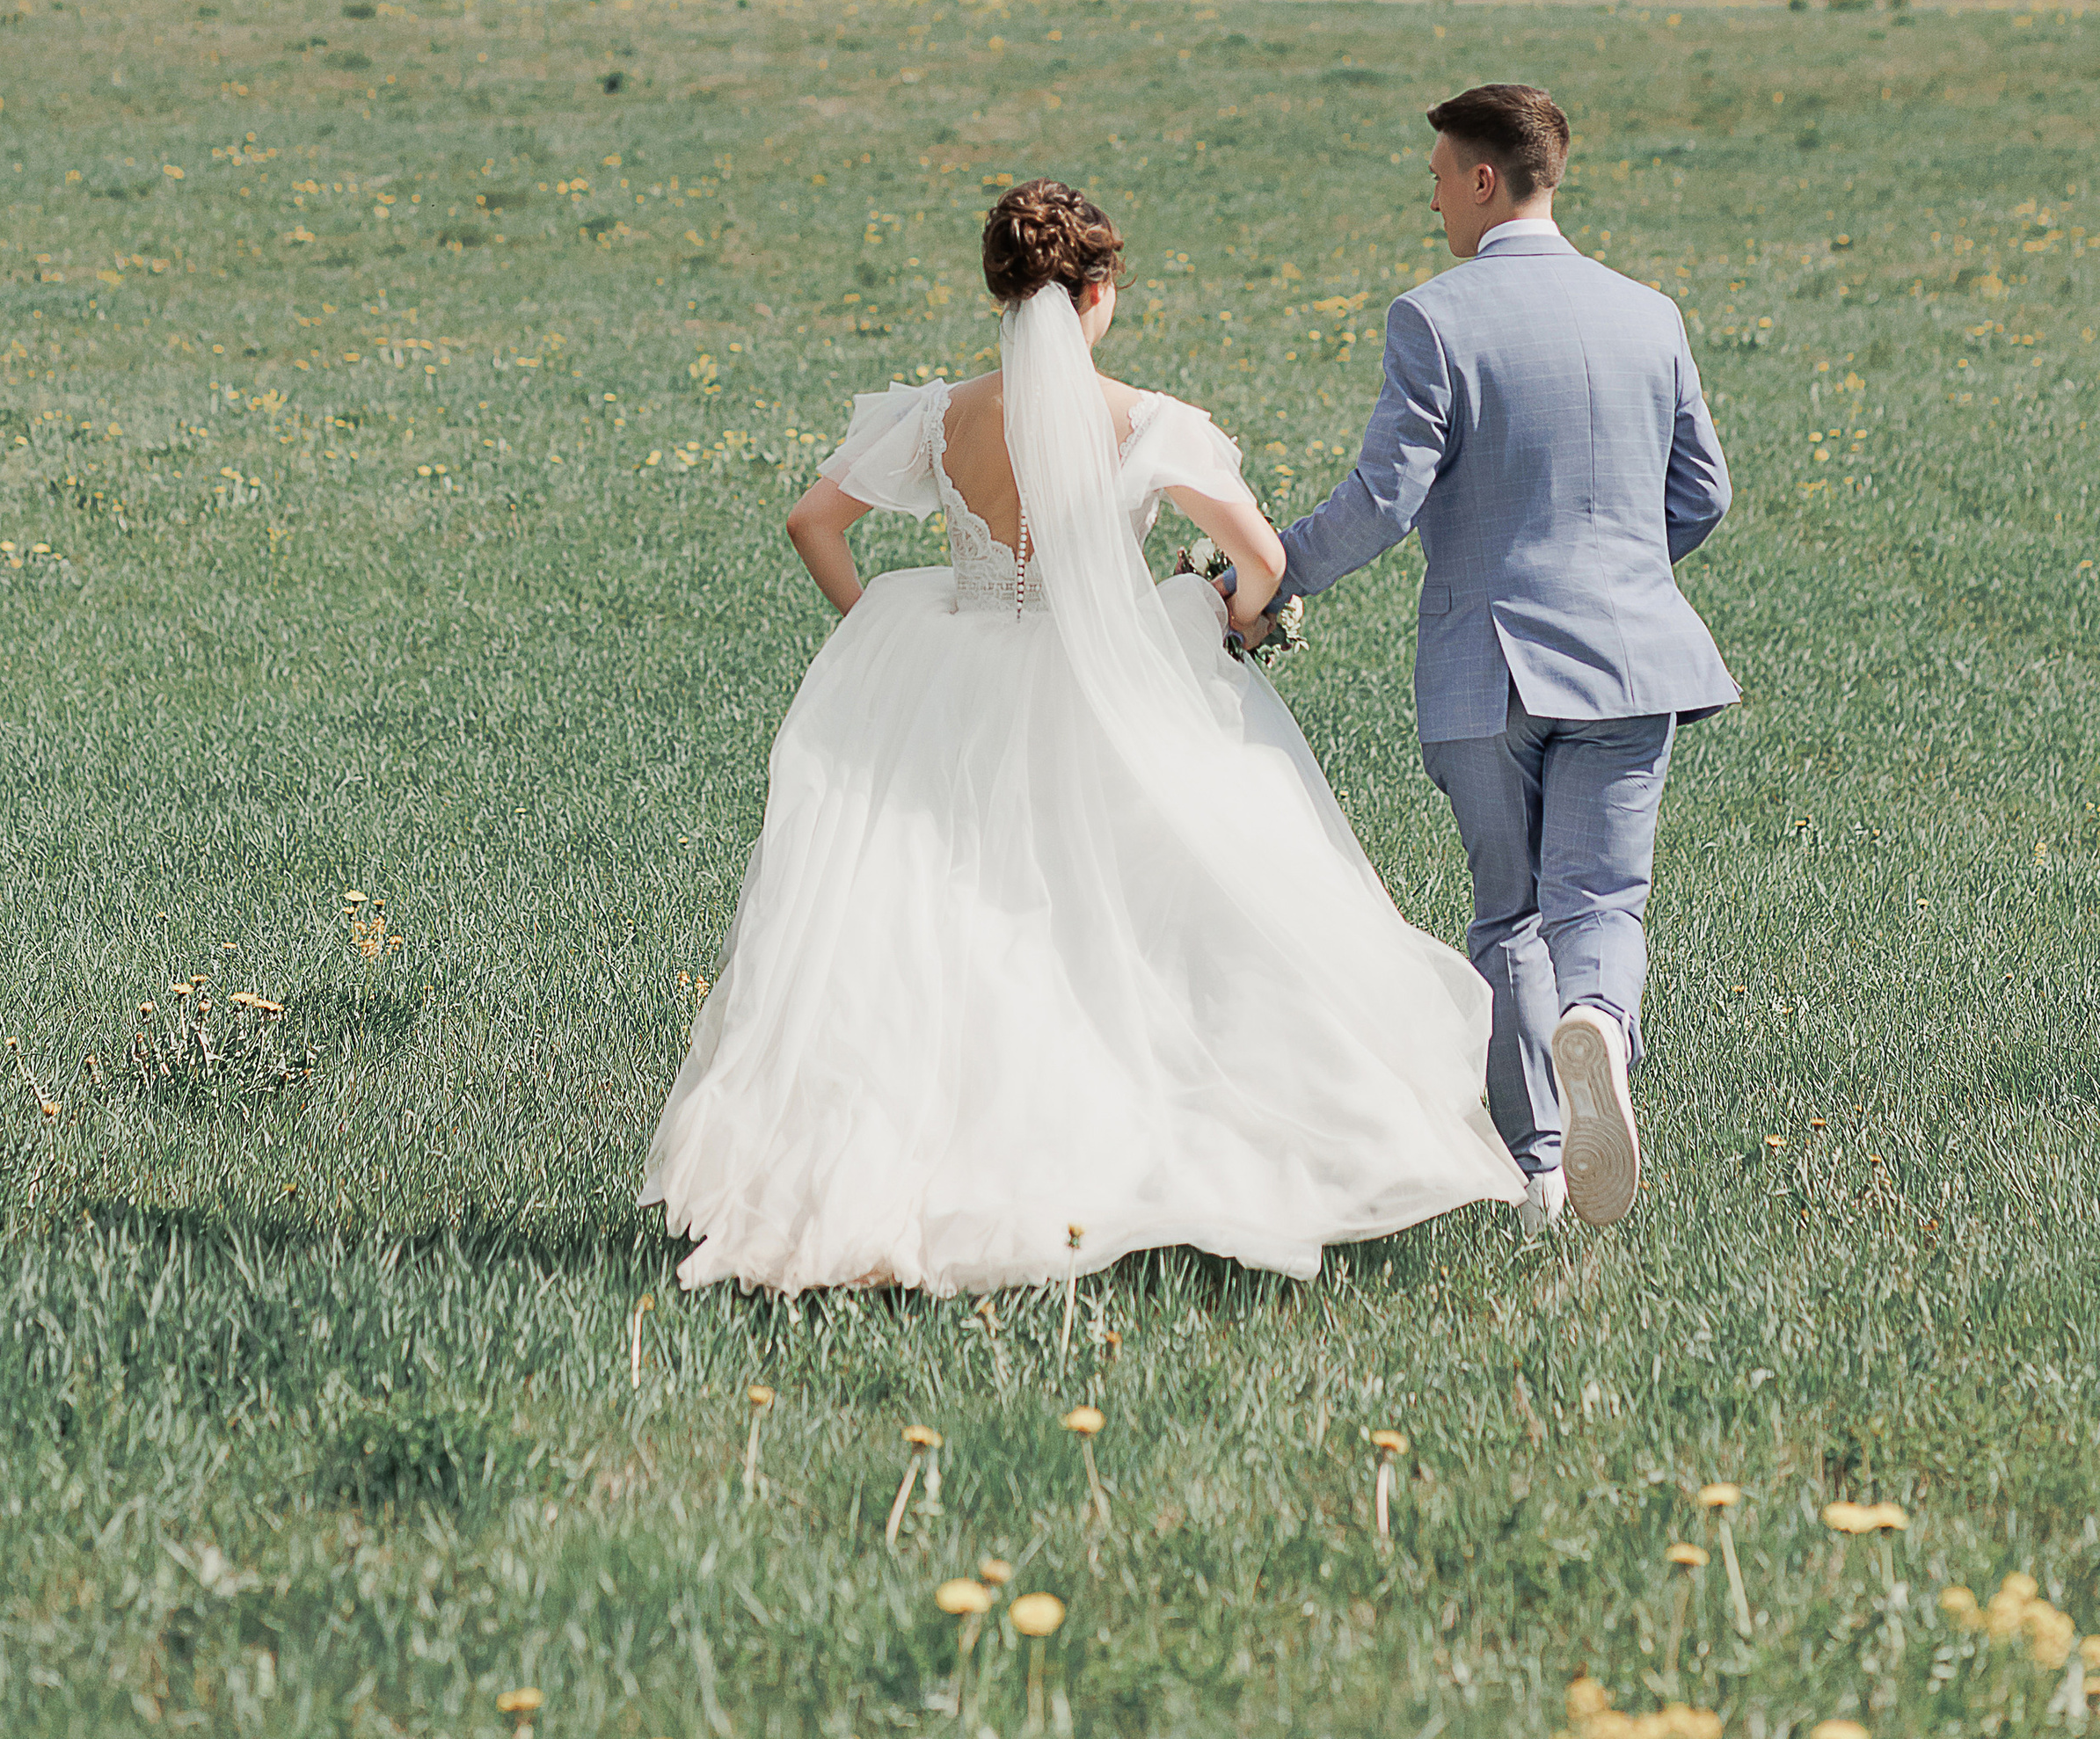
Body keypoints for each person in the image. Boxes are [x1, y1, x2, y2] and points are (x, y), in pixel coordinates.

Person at [641, 179, 1522, 1295]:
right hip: (1096, 684)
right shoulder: (1149, 423)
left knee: (945, 927)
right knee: (1123, 920)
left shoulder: (938, 417)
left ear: (1001, 293)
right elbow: (1261, 561)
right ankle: (1136, 1154)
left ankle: (918, 1162)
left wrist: (883, 633)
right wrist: (1226, 612)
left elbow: (810, 522)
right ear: (1098, 293)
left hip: (949, 679)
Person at [1232, 84, 1735, 1235]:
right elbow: (1703, 491)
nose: (1434, 204)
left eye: (1438, 179)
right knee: (1602, 897)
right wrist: (1620, 571)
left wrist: (1265, 577)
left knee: (1509, 916)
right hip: (1632, 661)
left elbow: (1382, 502)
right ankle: (1600, 1024)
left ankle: (1542, 1178)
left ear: (1481, 178)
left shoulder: (1437, 318)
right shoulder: (1648, 313)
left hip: (1490, 666)